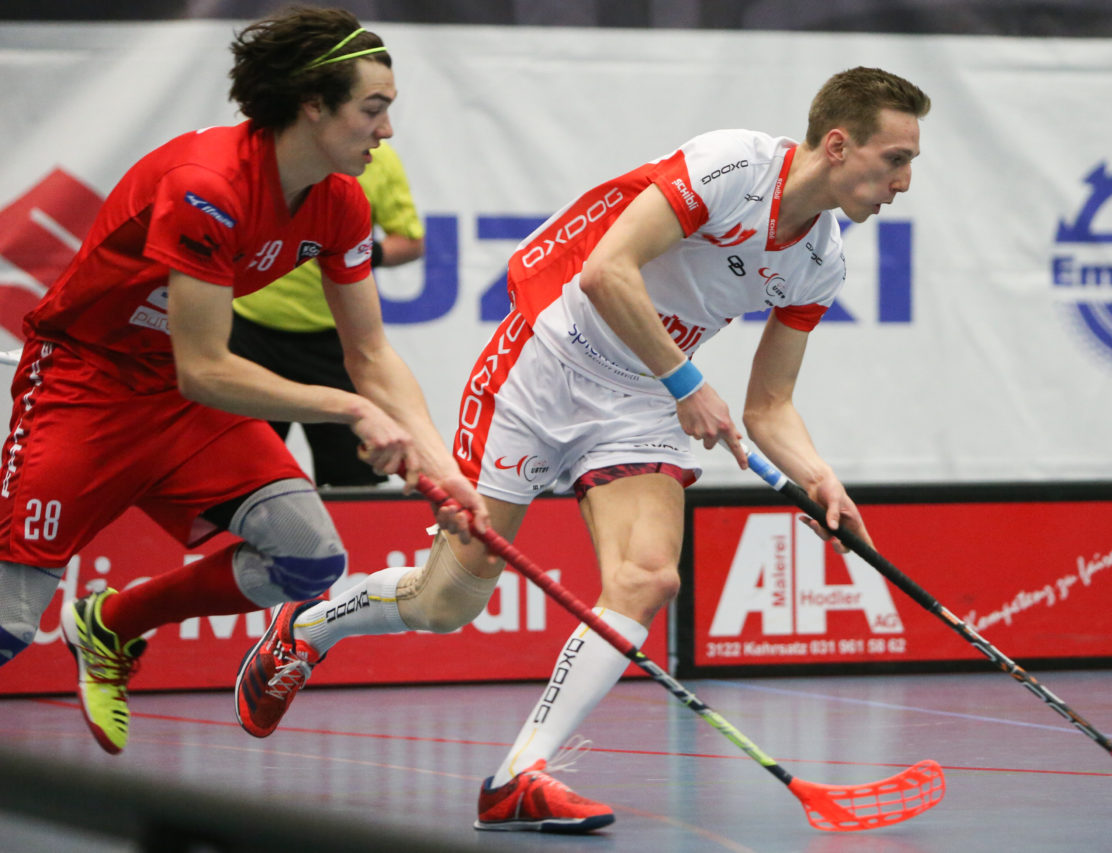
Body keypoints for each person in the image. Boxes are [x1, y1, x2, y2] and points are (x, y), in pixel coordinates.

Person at [235, 66, 930, 833]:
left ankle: (517, 774)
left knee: (647, 575)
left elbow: (769, 407)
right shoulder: (732, 167)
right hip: (545, 364)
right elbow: (606, 271)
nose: (902, 181)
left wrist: (820, 477)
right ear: (838, 145)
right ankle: (308, 627)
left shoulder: (820, 261)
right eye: (895, 159)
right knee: (448, 601)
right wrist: (688, 380)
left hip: (641, 404)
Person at [0, 6, 488, 755]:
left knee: (307, 558)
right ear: (312, 105)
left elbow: (372, 355)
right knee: (7, 626)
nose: (386, 131)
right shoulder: (208, 185)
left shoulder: (341, 200)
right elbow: (207, 368)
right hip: (86, 385)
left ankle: (110, 625)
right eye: (374, 108)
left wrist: (447, 473)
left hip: (178, 402)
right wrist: (348, 408)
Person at [229, 142, 424, 486]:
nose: (383, 130)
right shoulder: (267, 156)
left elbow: (410, 242)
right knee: (240, 478)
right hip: (251, 335)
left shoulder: (376, 161)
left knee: (354, 483)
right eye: (371, 110)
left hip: (335, 346)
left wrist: (354, 249)